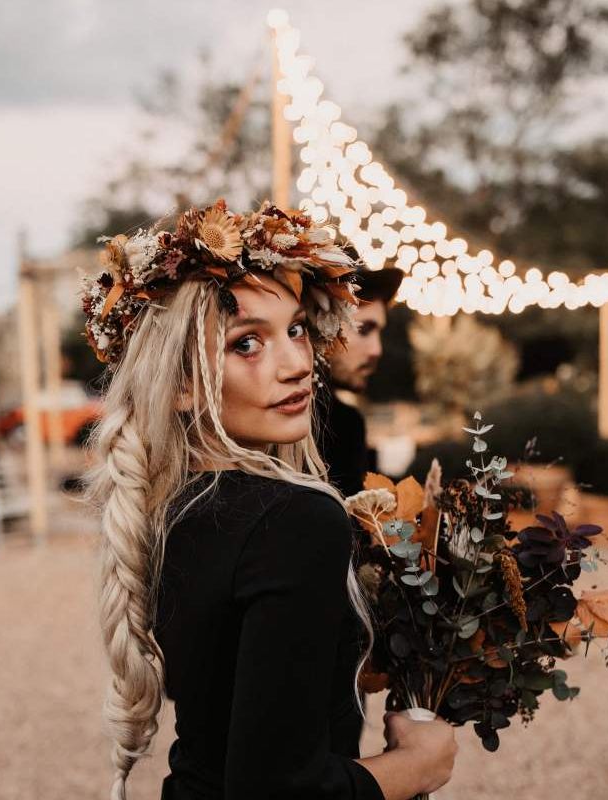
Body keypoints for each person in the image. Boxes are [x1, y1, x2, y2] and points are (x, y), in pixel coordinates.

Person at [82, 200, 457, 800]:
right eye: (246, 343)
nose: (297, 365)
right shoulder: (294, 519)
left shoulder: (174, 506)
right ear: (180, 384)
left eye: (297, 330)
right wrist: (420, 764)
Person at [316, 249, 404, 497]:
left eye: (379, 333)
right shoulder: (337, 424)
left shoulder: (343, 421)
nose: (377, 350)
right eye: (364, 329)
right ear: (320, 325)